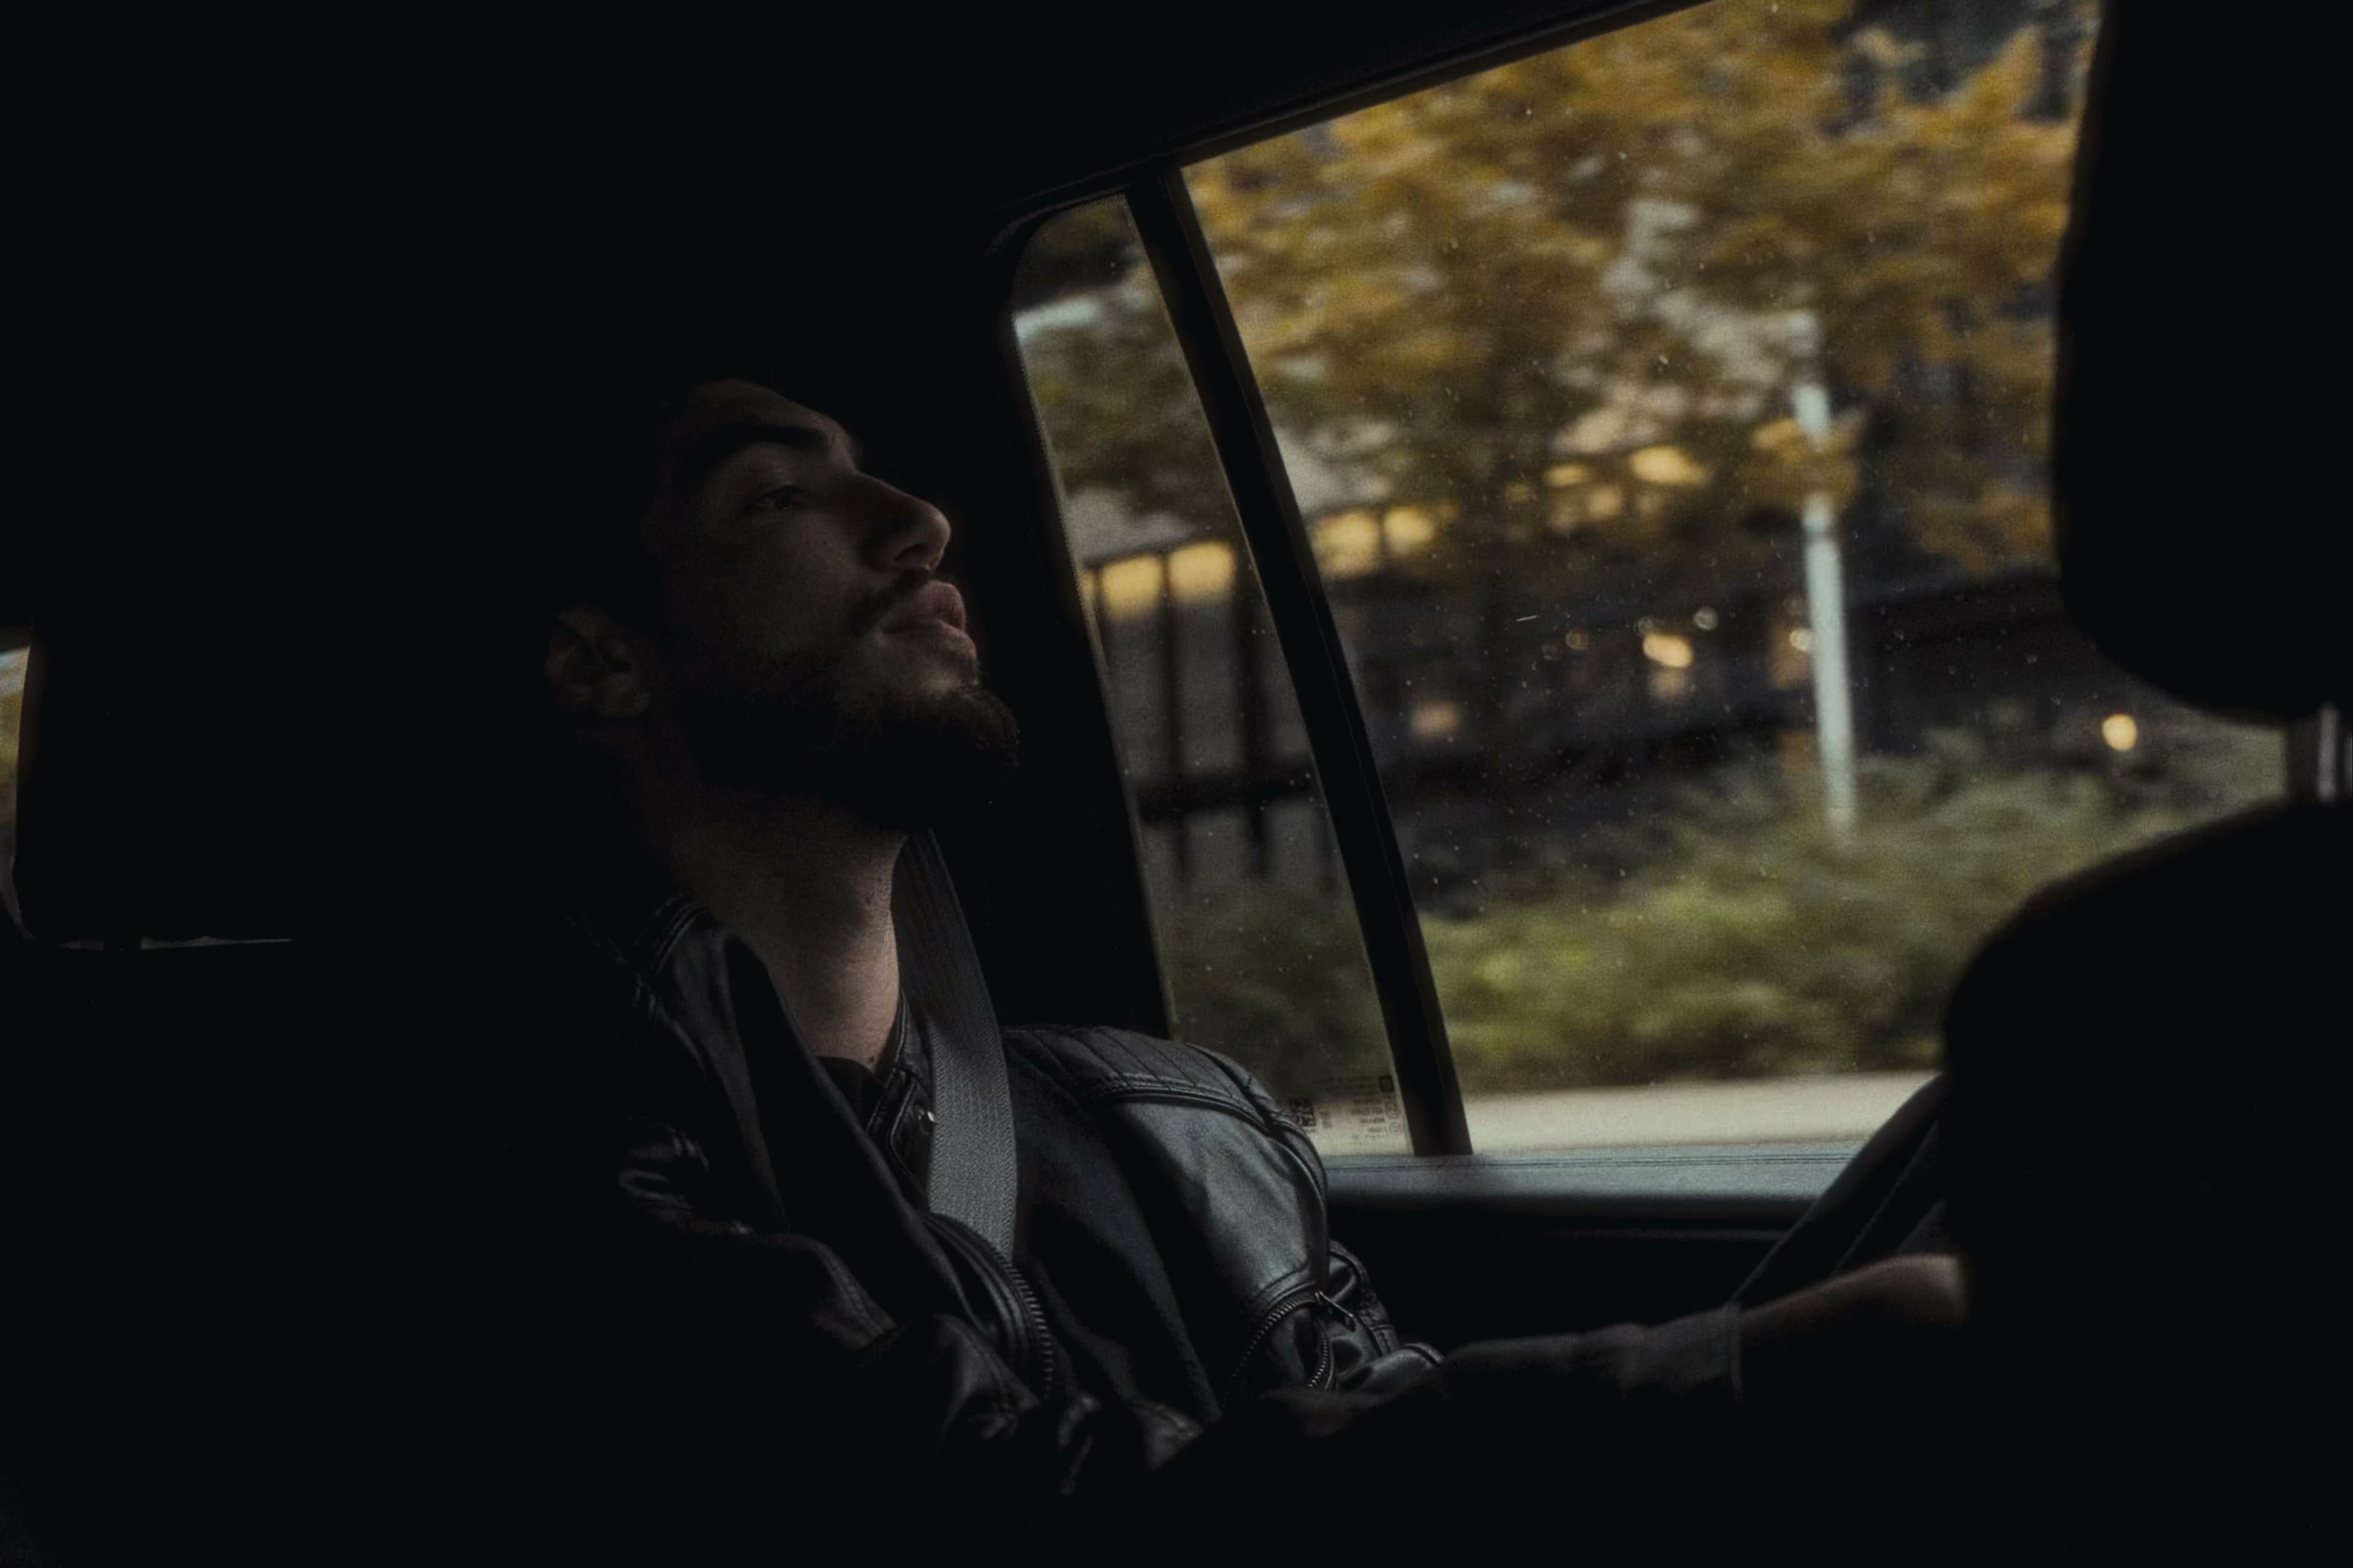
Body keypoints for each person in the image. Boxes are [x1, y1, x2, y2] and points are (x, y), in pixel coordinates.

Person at [458, 362, 1966, 1553]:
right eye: (782, 491)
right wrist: (1741, 1380)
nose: (919, 519)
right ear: (603, 659)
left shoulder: (1185, 1130)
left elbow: (1386, 1440)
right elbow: (967, 1500)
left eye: (881, 476)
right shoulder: (521, 1140)